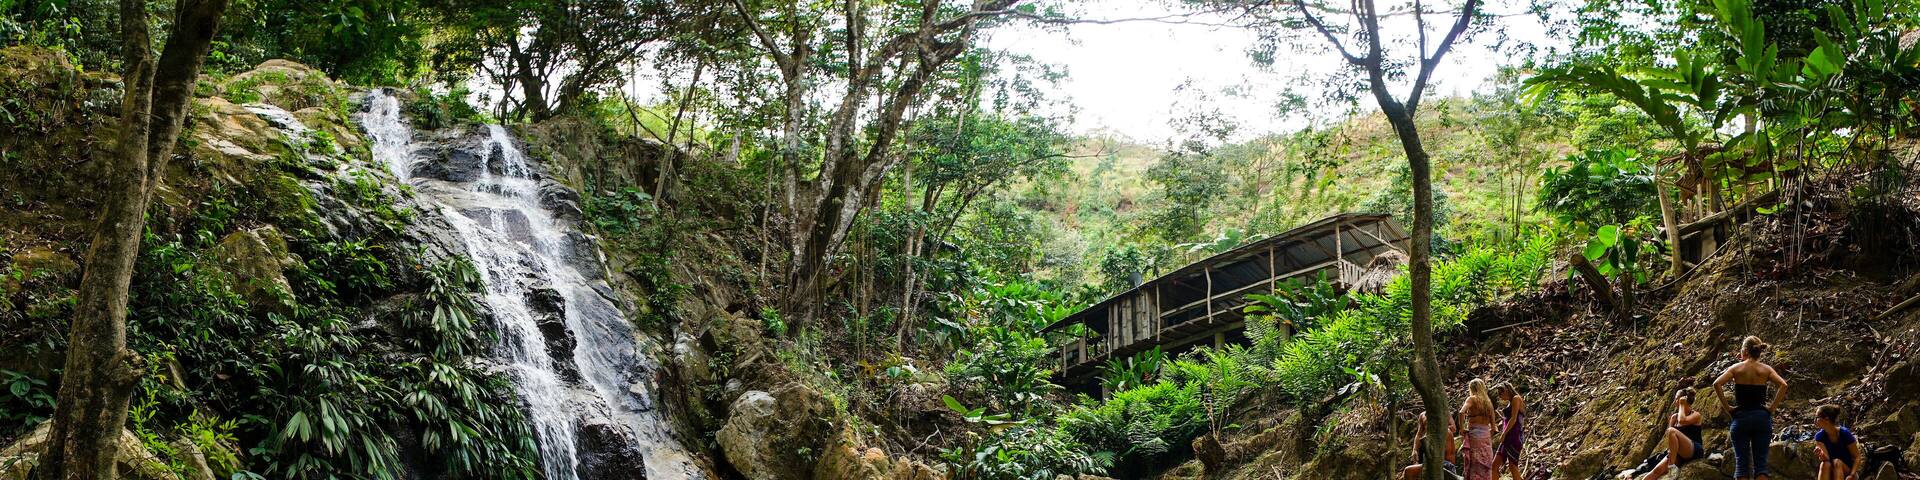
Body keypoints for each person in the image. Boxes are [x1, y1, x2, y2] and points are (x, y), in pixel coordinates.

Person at [1714, 336, 1788, 480]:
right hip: (1761, 417)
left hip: (1741, 417)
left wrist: (1728, 407)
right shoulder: (1766, 369)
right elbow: (1784, 385)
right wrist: (1772, 408)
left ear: (1745, 351)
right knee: (1761, 467)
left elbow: (1717, 384)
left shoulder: (1736, 368)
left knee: (1741, 465)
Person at [1640, 388, 1707, 480]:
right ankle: (1671, 465)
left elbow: (1682, 421)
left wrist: (1682, 404)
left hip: (1693, 450)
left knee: (1671, 430)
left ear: (1683, 400)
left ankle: (1672, 468)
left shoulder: (1696, 415)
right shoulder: (1674, 417)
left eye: (1677, 399)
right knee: (1655, 472)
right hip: (1678, 453)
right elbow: (1670, 439)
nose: (1675, 401)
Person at [1460, 379, 1498, 480]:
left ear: (1471, 388)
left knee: (1476, 463)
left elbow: (1461, 412)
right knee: (1486, 461)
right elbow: (1494, 427)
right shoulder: (1488, 402)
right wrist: (1487, 433)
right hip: (1486, 434)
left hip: (1475, 435)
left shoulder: (1472, 399)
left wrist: (1462, 428)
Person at [1403, 412, 1459, 480]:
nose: (1427, 427)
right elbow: (1419, 434)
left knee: (1408, 471)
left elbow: (1437, 459)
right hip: (1433, 463)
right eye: (1426, 425)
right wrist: (1415, 450)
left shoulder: (1444, 431)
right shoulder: (1423, 416)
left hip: (1445, 466)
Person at [1813, 404, 1863, 480]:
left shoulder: (1844, 433)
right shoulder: (1819, 436)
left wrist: (1852, 475)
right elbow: (1827, 459)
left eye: (1817, 417)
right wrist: (1821, 454)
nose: (1814, 420)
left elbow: (1857, 457)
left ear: (1826, 419)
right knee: (1824, 464)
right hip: (1833, 471)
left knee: (1837, 462)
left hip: (1849, 472)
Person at [1493, 384, 1526, 480]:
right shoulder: (1511, 401)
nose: (1500, 396)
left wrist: (1504, 433)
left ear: (1506, 390)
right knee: (1494, 465)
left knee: (1513, 466)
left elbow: (1514, 418)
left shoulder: (1516, 398)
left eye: (1500, 393)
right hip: (1507, 437)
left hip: (1514, 436)